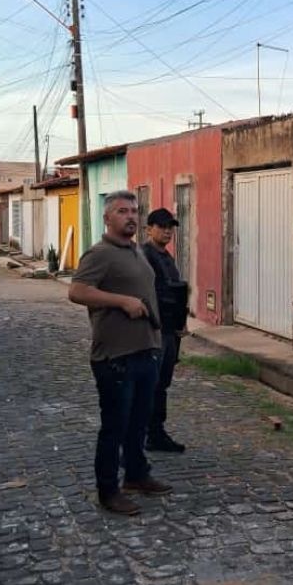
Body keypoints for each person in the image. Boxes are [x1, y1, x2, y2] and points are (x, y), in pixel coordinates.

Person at [68, 190, 173, 516]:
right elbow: (77, 291)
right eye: (122, 211)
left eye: (134, 211)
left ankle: (137, 476)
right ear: (107, 218)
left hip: (146, 350)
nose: (130, 216)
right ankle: (108, 490)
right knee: (114, 426)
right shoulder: (99, 253)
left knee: (139, 422)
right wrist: (121, 302)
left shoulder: (136, 251)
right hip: (115, 357)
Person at [141, 207, 189, 453]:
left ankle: (156, 433)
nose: (168, 231)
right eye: (162, 226)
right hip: (154, 330)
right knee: (151, 384)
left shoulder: (166, 256)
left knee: (162, 384)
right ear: (149, 229)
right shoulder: (144, 255)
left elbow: (175, 292)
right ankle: (147, 435)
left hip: (170, 329)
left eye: (170, 227)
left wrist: (182, 323)